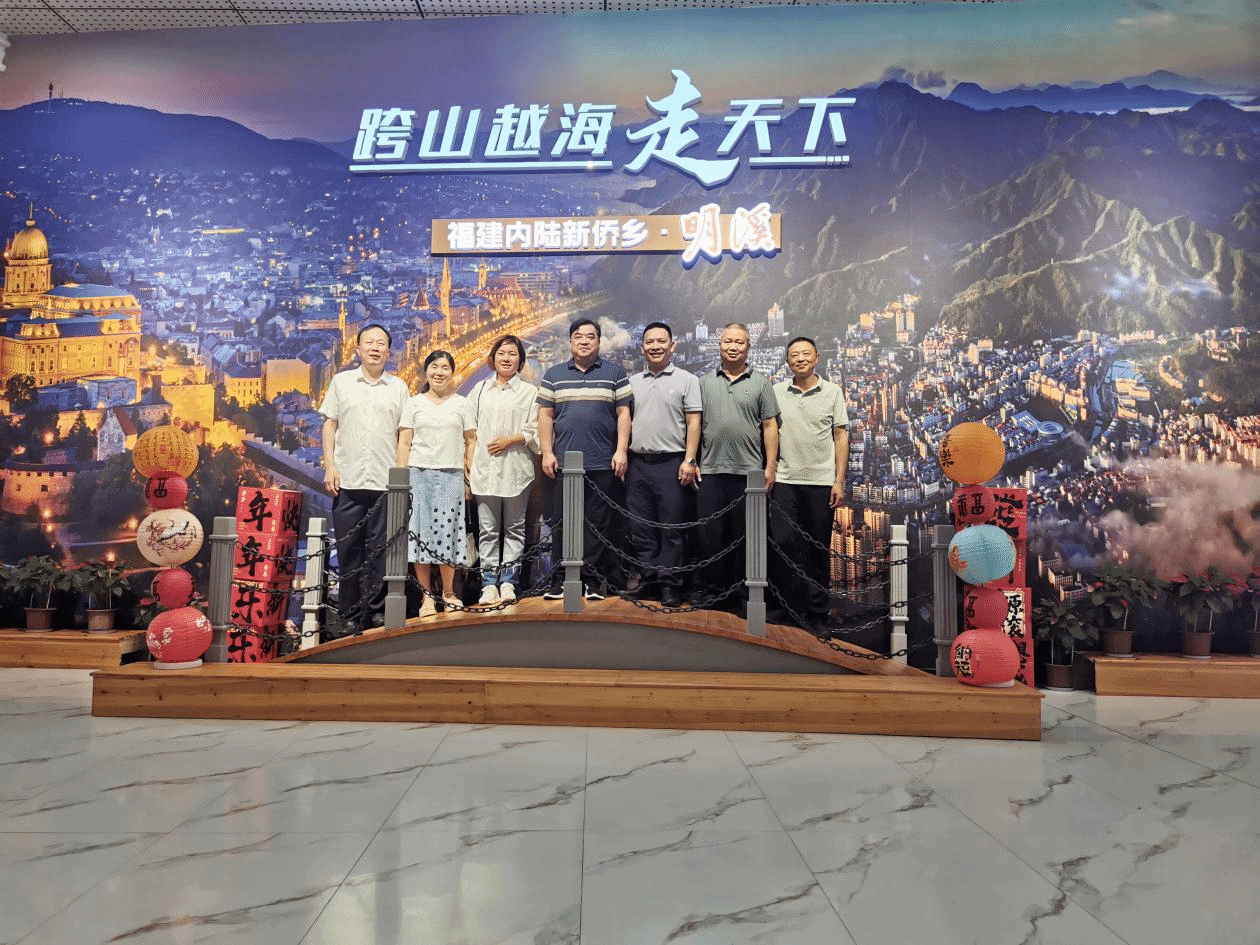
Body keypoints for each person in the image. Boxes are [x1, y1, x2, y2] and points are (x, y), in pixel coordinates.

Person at [319, 323, 409, 634]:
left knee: (382, 552)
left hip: (384, 482)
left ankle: (378, 611)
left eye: (381, 343)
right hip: (348, 480)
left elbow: (404, 434)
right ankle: (349, 614)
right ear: (357, 349)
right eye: (369, 342)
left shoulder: (398, 387)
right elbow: (329, 425)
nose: (375, 348)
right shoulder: (342, 382)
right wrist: (330, 465)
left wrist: (400, 474)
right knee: (348, 551)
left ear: (389, 351)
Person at [537, 317, 632, 600]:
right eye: (578, 336)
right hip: (563, 464)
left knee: (598, 525)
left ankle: (593, 581)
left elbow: (624, 414)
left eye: (590, 336)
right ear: (570, 342)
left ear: (599, 342)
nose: (584, 341)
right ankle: (560, 581)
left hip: (602, 462)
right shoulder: (553, 375)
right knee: (561, 523)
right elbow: (545, 416)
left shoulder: (615, 373)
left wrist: (621, 450)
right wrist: (547, 452)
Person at [696, 322, 779, 614]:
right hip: (710, 470)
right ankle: (713, 593)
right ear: (719, 345)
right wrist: (692, 460)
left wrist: (770, 467)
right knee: (710, 536)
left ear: (748, 347)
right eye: (728, 341)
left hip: (749, 473)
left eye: (739, 342)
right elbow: (694, 425)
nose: (733, 347)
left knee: (746, 537)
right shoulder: (704, 383)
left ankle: (743, 595)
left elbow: (770, 426)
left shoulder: (761, 383)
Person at [769, 336, 849, 634]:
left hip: (820, 481)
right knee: (782, 543)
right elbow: (768, 430)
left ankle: (817, 613)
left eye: (806, 354)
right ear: (787, 361)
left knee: (817, 549)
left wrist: (839, 480)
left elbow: (840, 436)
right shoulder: (776, 391)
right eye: (794, 355)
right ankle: (788, 607)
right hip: (785, 480)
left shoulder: (833, 392)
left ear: (817, 358)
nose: (800, 359)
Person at [625, 321, 701, 609]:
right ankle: (649, 579)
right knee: (642, 527)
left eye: (661, 341)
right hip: (638, 463)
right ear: (642, 347)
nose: (655, 346)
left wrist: (690, 460)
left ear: (672, 345)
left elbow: (694, 423)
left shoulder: (687, 380)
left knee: (672, 528)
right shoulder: (632, 382)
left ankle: (671, 585)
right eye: (649, 342)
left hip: (672, 462)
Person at [397, 349, 476, 617]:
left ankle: (449, 593)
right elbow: (404, 442)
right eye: (434, 367)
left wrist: (468, 475)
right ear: (426, 371)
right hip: (419, 475)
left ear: (452, 373)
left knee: (448, 536)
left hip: (451, 476)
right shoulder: (414, 403)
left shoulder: (462, 404)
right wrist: (402, 477)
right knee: (421, 536)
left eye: (445, 368)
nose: (439, 372)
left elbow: (471, 441)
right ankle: (427, 598)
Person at [467, 334, 540, 606]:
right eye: (501, 353)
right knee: (487, 529)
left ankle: (509, 581)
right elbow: (470, 429)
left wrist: (511, 439)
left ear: (520, 360)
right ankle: (488, 584)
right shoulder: (479, 390)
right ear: (493, 358)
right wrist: (468, 460)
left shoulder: (529, 392)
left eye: (512, 354)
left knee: (515, 529)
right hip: (484, 469)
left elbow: (535, 431)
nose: (506, 358)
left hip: (515, 470)